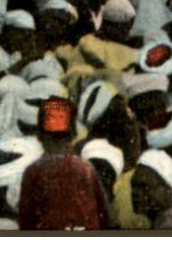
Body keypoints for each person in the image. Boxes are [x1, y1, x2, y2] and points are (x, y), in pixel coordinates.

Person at [16, 98, 114, 230]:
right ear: (73, 134)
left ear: (39, 134)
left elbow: (25, 223)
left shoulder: (33, 172)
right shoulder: (85, 168)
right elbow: (106, 218)